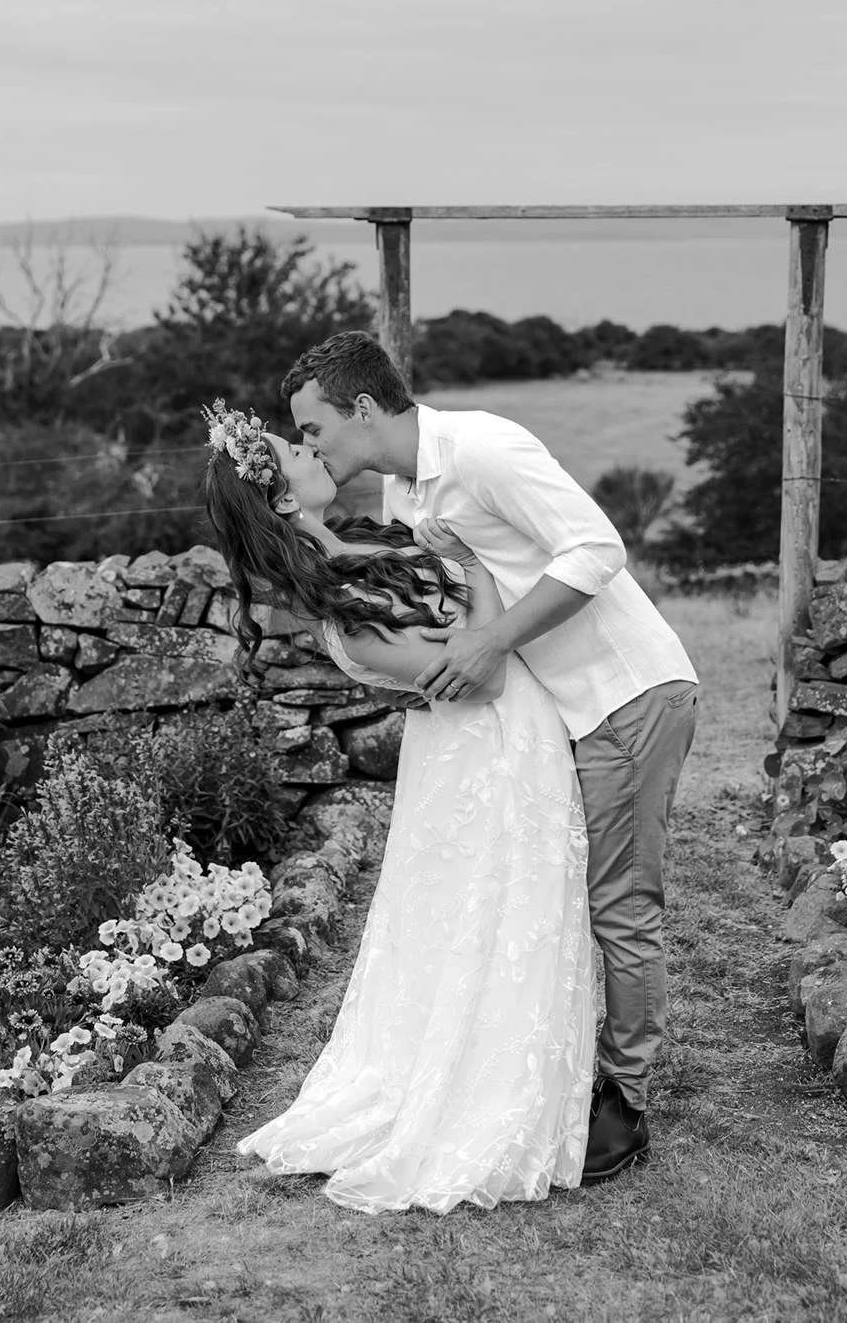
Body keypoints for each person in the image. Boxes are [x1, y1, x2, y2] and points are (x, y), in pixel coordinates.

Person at [282, 331, 699, 1183]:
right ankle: (569, 1069)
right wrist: (315, 538)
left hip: (623, 693)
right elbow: (426, 581)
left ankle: (625, 1099)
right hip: (560, 714)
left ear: (363, 408)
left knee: (620, 904)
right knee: (572, 895)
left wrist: (490, 644)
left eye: (313, 427)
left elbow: (598, 549)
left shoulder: (484, 449)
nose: (312, 445)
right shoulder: (404, 490)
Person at [202, 398, 596, 1216]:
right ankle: (475, 1095)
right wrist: (481, 572)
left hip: (501, 744)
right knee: (489, 919)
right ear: (281, 497)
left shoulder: (363, 547)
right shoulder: (342, 608)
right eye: (295, 446)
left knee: (503, 920)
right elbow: (479, 671)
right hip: (488, 755)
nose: (312, 446)